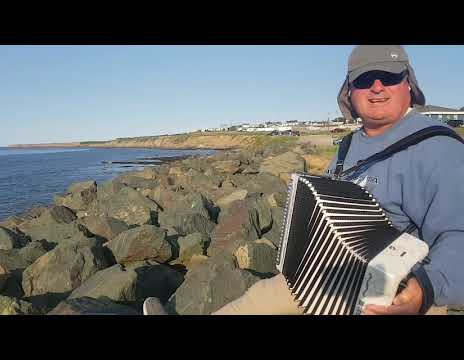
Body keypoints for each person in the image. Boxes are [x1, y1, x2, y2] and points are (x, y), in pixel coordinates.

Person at [144, 45, 464, 315]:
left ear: (408, 83)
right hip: (332, 277)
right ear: (350, 92)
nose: (377, 86)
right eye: (365, 79)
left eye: (390, 77)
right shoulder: (348, 146)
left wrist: (424, 290)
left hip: (401, 291)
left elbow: (458, 235)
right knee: (257, 299)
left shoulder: (437, 148)